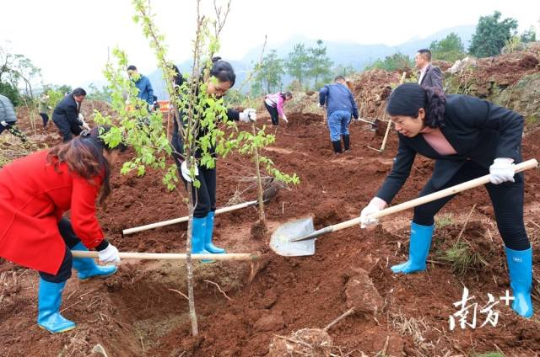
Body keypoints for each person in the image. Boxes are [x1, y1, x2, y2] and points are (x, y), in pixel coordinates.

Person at [359, 83, 533, 318]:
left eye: (400, 121)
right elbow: (399, 172)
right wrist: (375, 205)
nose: (398, 128)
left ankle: (521, 291)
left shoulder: (459, 107)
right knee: (423, 208)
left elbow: (512, 120)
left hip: (497, 165)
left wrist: (504, 159)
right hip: (456, 166)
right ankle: (416, 262)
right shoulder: (409, 136)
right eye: (394, 122)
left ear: (420, 113)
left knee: (511, 226)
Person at [0, 126, 123, 333]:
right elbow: (83, 219)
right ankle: (48, 316)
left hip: (26, 198)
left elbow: (76, 223)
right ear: (107, 150)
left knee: (68, 233)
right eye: (118, 154)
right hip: (12, 205)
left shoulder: (78, 153)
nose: (117, 161)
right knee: (56, 258)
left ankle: (87, 269)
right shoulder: (90, 167)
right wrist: (104, 247)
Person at [171, 57, 257, 257]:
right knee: (201, 203)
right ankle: (197, 250)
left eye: (224, 92)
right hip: (187, 153)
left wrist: (240, 116)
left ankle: (207, 243)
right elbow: (184, 127)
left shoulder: (214, 97)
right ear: (206, 78)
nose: (220, 95)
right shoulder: (188, 95)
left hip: (207, 151)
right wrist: (186, 159)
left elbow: (218, 112)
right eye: (217, 89)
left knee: (211, 203)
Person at [319, 76, 359, 153]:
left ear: (335, 81)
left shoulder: (329, 86)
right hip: (347, 113)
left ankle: (338, 153)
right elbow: (353, 104)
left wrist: (321, 103)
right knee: (344, 129)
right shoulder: (347, 90)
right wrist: (356, 115)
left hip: (335, 112)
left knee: (335, 132)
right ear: (343, 81)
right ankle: (347, 149)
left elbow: (322, 92)